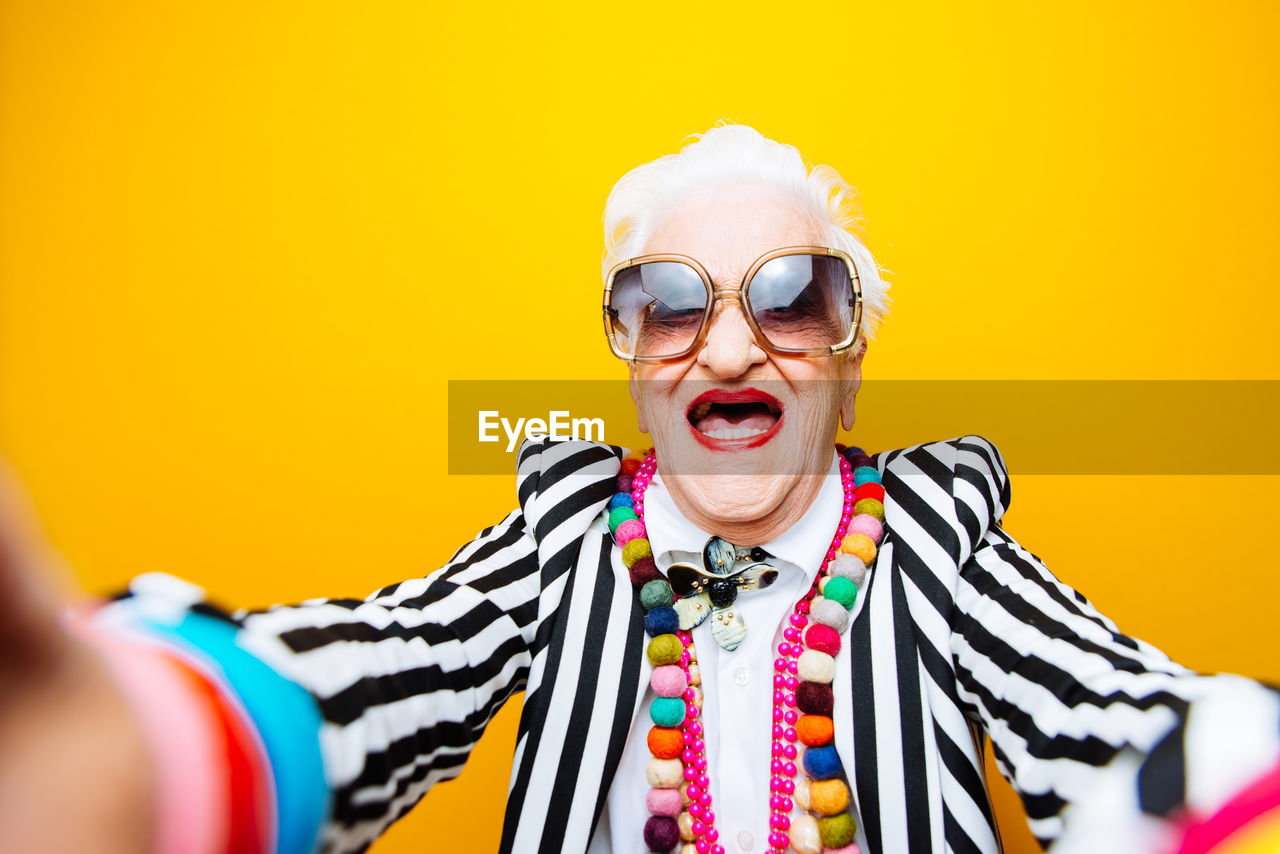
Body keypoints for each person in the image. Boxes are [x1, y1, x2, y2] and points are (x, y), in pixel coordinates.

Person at [2, 125, 1279, 854]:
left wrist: (1232, 783)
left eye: (793, 296)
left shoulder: (935, 540)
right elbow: (383, 667)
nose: (727, 347)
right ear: (625, 352)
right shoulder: (563, 534)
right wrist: (156, 749)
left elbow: (1109, 711)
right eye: (667, 305)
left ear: (850, 349)